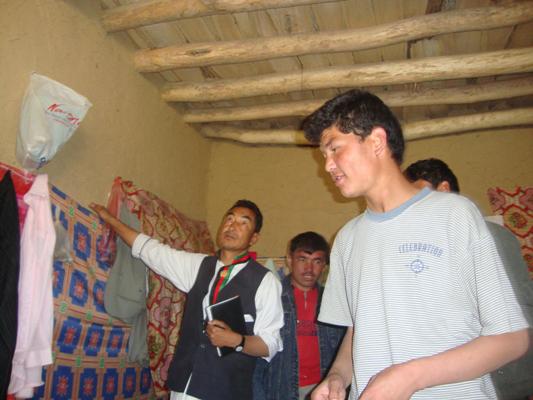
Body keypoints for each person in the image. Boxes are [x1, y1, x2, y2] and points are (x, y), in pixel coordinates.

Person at [300, 89, 530, 400]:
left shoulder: (454, 214)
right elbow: (359, 330)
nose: (327, 165)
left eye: (334, 149)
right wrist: (338, 377)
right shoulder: (347, 239)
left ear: (376, 141)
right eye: (324, 156)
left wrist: (410, 377)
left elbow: (511, 339)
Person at [90, 199, 283, 400]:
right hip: (183, 386)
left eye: (243, 223)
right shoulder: (198, 265)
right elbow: (150, 250)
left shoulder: (265, 281)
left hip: (225, 390)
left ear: (254, 238)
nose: (232, 226)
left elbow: (270, 343)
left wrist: (237, 340)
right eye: (229, 219)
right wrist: (110, 219)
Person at [405, 157, 533, 400]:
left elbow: (519, 308)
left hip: (503, 378)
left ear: (444, 189)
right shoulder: (436, 242)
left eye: (417, 194)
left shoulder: (489, 235)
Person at [254, 232, 345, 400]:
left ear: (324, 265)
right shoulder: (271, 298)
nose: (309, 269)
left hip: (324, 390)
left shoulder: (334, 301)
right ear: (290, 260)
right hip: (280, 389)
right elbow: (258, 359)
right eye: (303, 259)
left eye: (317, 261)